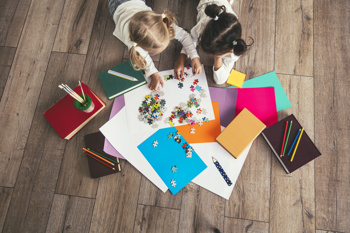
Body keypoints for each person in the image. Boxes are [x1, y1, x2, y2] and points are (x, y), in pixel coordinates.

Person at [108, 0, 202, 91]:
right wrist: (153, 73)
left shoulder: (163, 23)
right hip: (117, 5)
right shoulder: (132, 42)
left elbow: (184, 36)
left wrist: (194, 57)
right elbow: (142, 56)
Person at [175, 0, 252, 84]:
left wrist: (218, 58)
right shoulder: (203, 26)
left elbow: (220, 80)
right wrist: (182, 59)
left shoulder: (235, 49)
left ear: (230, 50)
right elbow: (191, 38)